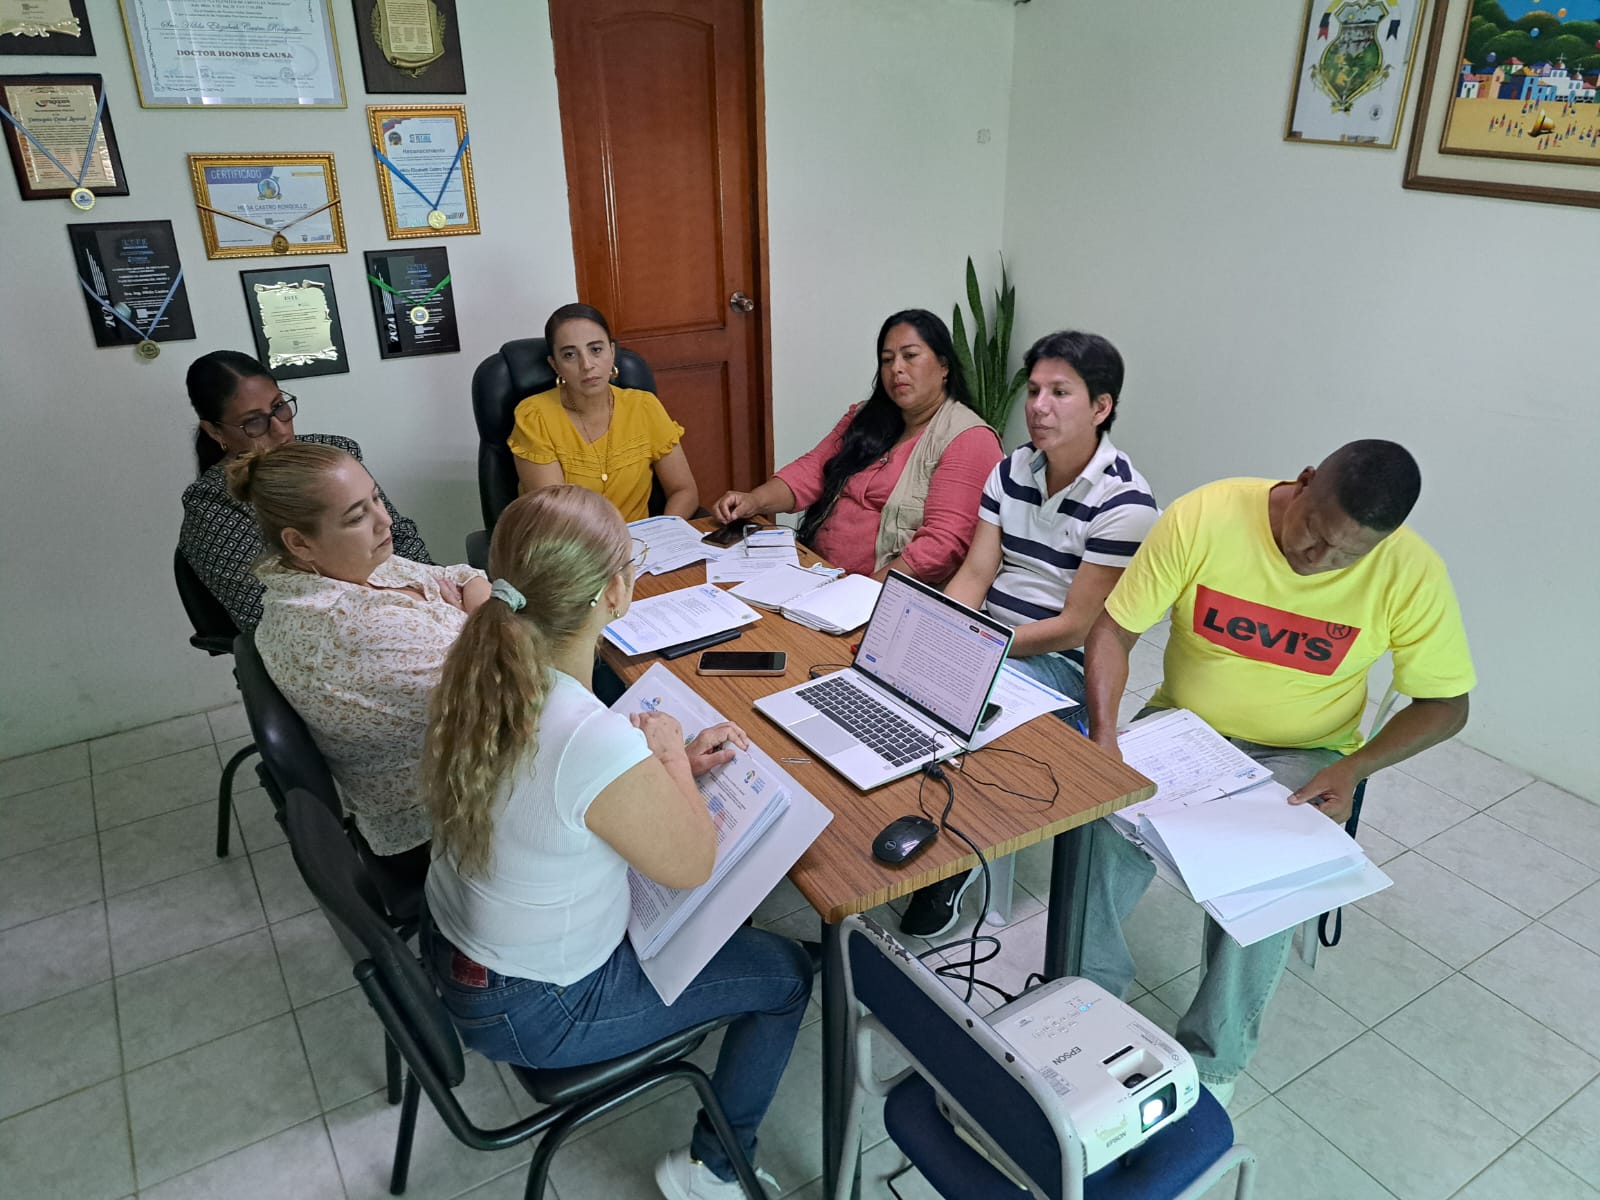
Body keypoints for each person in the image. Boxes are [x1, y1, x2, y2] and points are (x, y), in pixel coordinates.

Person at [420, 485, 811, 1200]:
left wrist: (666, 765)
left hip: (453, 951)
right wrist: (668, 758)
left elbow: (559, 791)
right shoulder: (586, 734)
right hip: (534, 1007)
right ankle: (714, 1171)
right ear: (614, 594)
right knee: (785, 974)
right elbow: (692, 864)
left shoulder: (482, 673)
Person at [1080, 440, 1475, 1104]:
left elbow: (1447, 706)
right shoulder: (1205, 515)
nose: (1318, 559)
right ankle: (1085, 999)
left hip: (1306, 750)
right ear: (1304, 481)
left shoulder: (1412, 571)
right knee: (1099, 827)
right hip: (1183, 727)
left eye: (1345, 555)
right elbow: (1114, 631)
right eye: (1313, 531)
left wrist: (1355, 768)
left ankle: (1214, 1061)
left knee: (1266, 871)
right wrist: (1104, 736)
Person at [901, 330, 1160, 938]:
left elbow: (1076, 626)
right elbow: (976, 571)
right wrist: (944, 632)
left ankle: (957, 857)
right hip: (994, 639)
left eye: (1060, 393)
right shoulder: (1012, 468)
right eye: (1035, 390)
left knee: (962, 697)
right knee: (899, 676)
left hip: (1063, 665)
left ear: (1101, 407)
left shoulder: (1126, 504)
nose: (1039, 406)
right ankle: (915, 818)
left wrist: (977, 649)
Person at [229, 441, 487, 883]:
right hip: (453, 820)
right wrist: (478, 615)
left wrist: (471, 617)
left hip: (481, 750)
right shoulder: (347, 627)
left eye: (376, 498)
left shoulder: (347, 566)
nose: (385, 521)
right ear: (299, 542)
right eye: (356, 517)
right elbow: (518, 681)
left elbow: (464, 575)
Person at [711, 309, 1002, 584]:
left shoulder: (969, 438)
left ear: (944, 366)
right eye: (887, 360)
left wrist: (862, 592)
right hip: (820, 572)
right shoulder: (865, 417)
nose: (896, 368)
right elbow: (813, 469)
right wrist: (754, 500)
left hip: (881, 593)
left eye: (910, 356)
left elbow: (942, 545)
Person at [180, 350, 432, 630]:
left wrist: (431, 589)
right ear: (214, 431)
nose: (280, 430)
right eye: (253, 421)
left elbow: (397, 535)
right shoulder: (213, 502)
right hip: (335, 631)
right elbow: (261, 612)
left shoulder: (331, 453)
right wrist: (396, 606)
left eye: (279, 406)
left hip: (407, 604)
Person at [508, 303, 699, 522]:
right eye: (570, 355)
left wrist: (663, 532)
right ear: (555, 365)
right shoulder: (535, 417)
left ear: (612, 352)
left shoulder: (644, 407)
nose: (587, 365)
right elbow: (556, 517)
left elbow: (684, 490)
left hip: (641, 541)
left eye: (596, 350)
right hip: (568, 540)